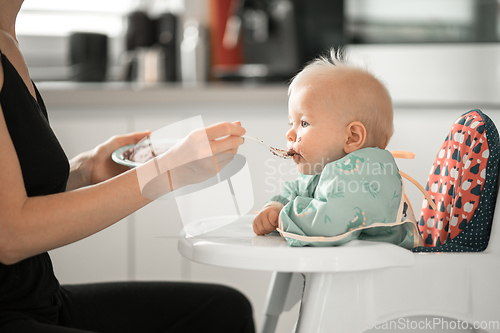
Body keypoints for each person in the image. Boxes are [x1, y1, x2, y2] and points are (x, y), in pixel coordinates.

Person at [0, 1, 254, 332]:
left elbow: (18, 188)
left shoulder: (7, 38)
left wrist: (87, 169)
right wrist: (165, 172)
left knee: (224, 311)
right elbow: (11, 234)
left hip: (40, 300)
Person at [253, 49, 424, 248]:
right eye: (291, 122)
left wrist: (283, 217)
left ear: (352, 137)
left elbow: (324, 226)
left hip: (387, 273)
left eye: (304, 123)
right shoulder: (326, 168)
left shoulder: (363, 176)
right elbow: (297, 191)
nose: (289, 134)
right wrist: (276, 206)